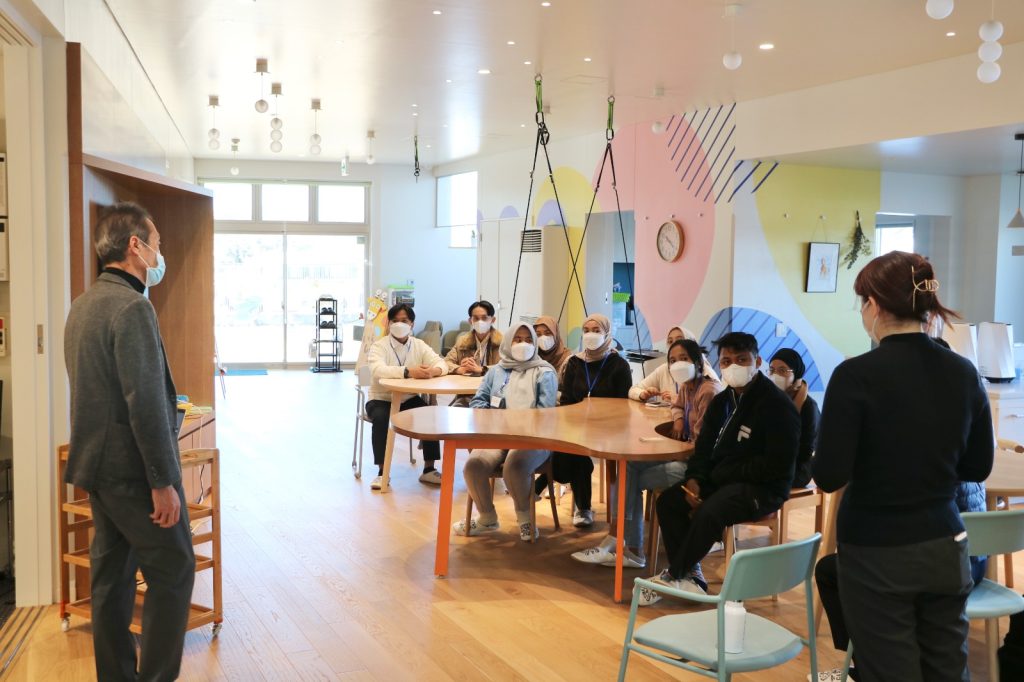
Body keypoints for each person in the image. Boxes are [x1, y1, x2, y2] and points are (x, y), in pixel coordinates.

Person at [813, 251, 993, 682]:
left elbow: (830, 474)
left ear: (874, 305)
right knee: (947, 668)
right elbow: (978, 465)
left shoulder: (855, 376)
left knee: (890, 670)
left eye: (862, 303)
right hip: (945, 544)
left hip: (876, 548)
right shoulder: (963, 372)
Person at [64, 201, 195, 682]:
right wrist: (162, 481)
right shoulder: (132, 307)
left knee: (112, 581)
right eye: (157, 244)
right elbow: (145, 403)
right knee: (175, 570)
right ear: (135, 247)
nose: (160, 256)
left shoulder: (83, 305)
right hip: (133, 471)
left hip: (96, 467)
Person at [639, 331, 800, 605]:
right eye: (726, 361)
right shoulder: (724, 401)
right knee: (669, 502)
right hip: (724, 479)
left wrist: (721, 475)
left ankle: (673, 575)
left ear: (757, 361)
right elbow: (703, 448)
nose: (733, 366)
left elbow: (776, 465)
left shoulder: (777, 405)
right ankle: (691, 576)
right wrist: (695, 478)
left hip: (764, 487)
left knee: (711, 510)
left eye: (741, 359)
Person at [814, 480, 989, 682]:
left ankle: (866, 664)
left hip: (932, 562)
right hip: (973, 563)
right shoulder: (960, 465)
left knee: (831, 571)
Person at [572, 339, 723, 568]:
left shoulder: (708, 391)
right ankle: (625, 544)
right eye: (673, 360)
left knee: (629, 478)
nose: (678, 364)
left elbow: (704, 444)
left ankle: (624, 543)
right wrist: (679, 420)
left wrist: (676, 449)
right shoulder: (687, 386)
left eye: (683, 359)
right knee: (629, 466)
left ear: (698, 362)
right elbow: (678, 406)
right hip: (685, 457)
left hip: (699, 468)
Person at [453, 324, 558, 541]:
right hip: (497, 436)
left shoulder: (545, 372)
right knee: (473, 466)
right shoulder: (496, 371)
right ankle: (487, 518)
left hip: (534, 440)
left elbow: (545, 415)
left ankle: (525, 519)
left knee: (514, 467)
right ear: (509, 342)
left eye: (528, 340)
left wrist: (515, 424)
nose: (523, 344)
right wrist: (495, 420)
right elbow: (478, 401)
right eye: (517, 339)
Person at [535, 313, 632, 527]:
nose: (590, 335)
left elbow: (624, 405)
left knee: (575, 451)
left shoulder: (619, 364)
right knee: (574, 451)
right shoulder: (575, 363)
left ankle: (545, 483)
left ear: (607, 333)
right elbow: (567, 400)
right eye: (586, 330)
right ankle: (582, 507)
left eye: (596, 331)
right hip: (577, 425)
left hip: (608, 427)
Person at [366, 303, 449, 490]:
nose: (399, 324)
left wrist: (433, 371)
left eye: (404, 320)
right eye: (395, 321)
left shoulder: (419, 345)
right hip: (381, 398)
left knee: (430, 414)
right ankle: (382, 472)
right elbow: (378, 370)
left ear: (412, 324)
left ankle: (429, 469)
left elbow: (441, 363)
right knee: (381, 418)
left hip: (408, 399)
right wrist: (408, 372)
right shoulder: (379, 346)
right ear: (388, 323)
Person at [767, 348, 820, 488]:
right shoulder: (769, 400)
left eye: (782, 370)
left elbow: (806, 451)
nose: (775, 375)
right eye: (771, 370)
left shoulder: (808, 406)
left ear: (796, 374)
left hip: (799, 466)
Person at [628, 330, 702, 404]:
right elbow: (633, 390)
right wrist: (643, 394)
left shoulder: (705, 375)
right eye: (670, 341)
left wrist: (679, 400)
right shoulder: (664, 369)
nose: (674, 344)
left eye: (679, 340)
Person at [445, 300, 502, 376]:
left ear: (493, 320)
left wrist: (483, 369)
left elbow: (508, 367)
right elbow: (446, 362)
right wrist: (459, 368)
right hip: (468, 382)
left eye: (484, 318)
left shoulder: (503, 342)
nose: (480, 322)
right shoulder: (462, 341)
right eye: (476, 318)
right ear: (470, 321)